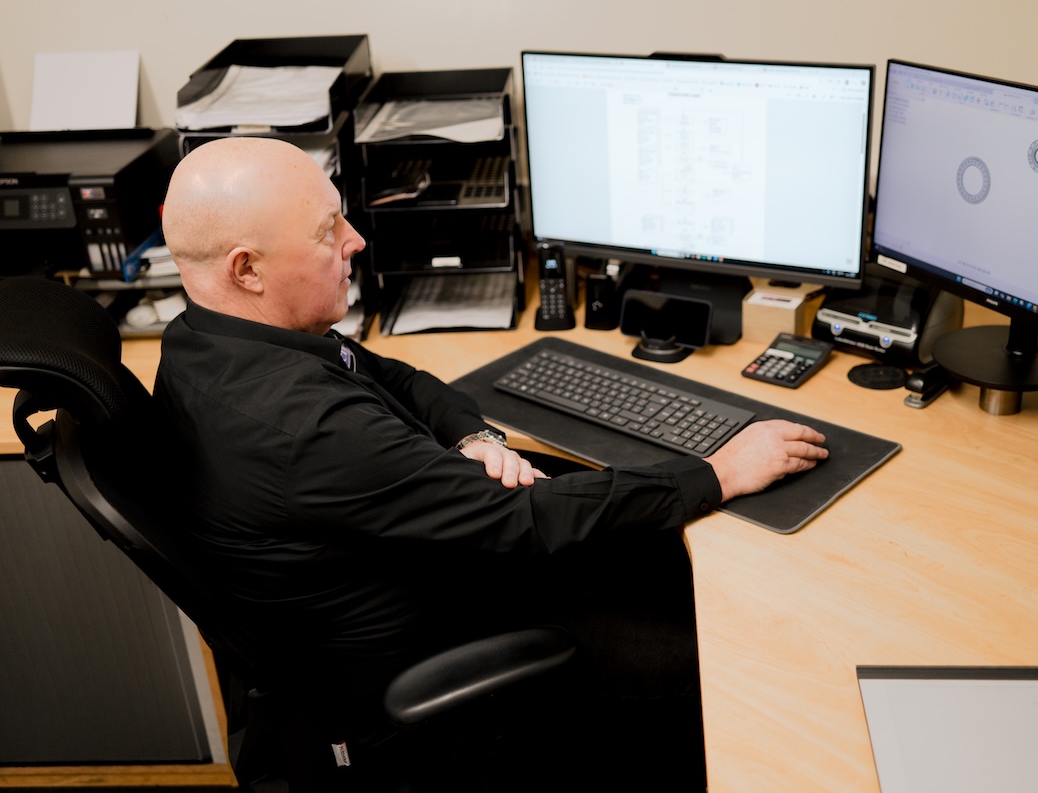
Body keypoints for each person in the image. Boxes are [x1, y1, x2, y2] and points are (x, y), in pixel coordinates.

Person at [154, 136, 828, 789]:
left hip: (421, 571)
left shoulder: (206, 338)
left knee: (658, 555)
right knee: (721, 655)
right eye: (328, 231)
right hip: (435, 653)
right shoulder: (303, 428)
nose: (355, 240)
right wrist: (721, 472)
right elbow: (524, 519)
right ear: (247, 269)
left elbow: (400, 379)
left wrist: (476, 438)